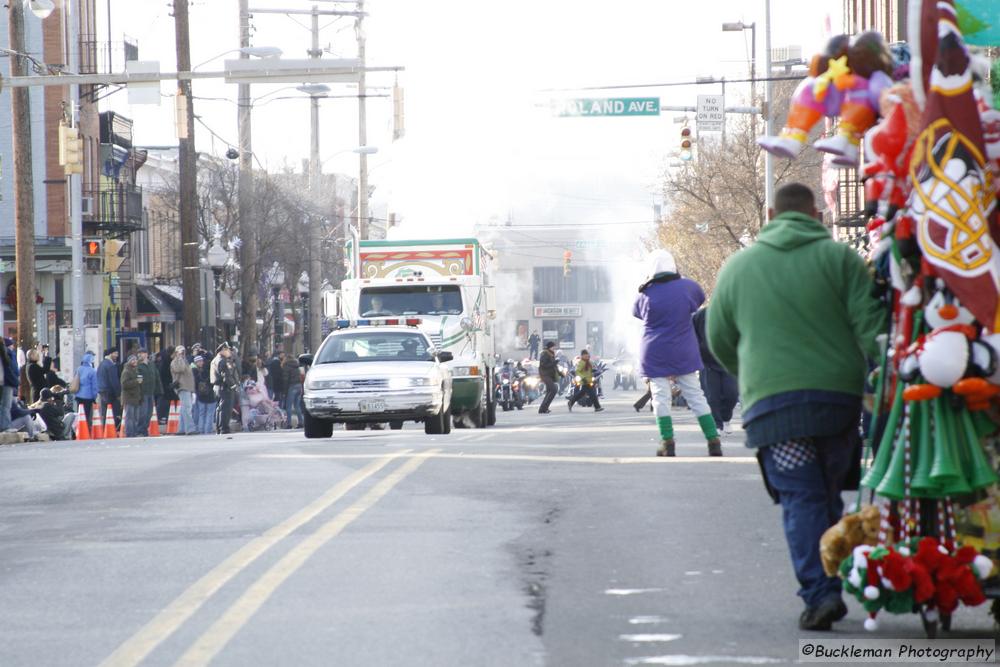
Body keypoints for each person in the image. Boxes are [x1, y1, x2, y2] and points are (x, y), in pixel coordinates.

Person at [707, 182, 885, 631]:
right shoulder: (842, 260)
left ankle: (821, 593)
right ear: (818, 216)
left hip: (775, 410)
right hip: (837, 404)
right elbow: (872, 329)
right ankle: (827, 583)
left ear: (769, 214)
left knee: (802, 497)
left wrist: (750, 377)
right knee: (825, 494)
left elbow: (719, 340)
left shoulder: (739, 268)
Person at [633, 249, 722, 457]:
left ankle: (667, 442)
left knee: (660, 397)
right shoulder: (689, 287)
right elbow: (699, 300)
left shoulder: (645, 293)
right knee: (696, 396)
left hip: (654, 352)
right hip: (684, 349)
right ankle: (713, 441)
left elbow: (636, 312)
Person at [692, 307, 739, 435]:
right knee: (712, 396)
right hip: (707, 362)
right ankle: (716, 424)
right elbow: (692, 335)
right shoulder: (701, 315)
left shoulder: (732, 312)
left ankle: (726, 418)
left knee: (732, 394)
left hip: (728, 361)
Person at [211, 343, 239, 434]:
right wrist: (233, 385)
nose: (229, 352)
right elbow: (226, 375)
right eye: (227, 350)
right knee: (226, 409)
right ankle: (224, 428)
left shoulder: (215, 360)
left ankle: (219, 428)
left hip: (217, 387)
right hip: (225, 387)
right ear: (223, 350)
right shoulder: (222, 361)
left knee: (220, 408)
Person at [171, 345, 197, 435]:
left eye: (183, 351)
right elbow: (180, 369)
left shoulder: (185, 361)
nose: (183, 353)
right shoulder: (175, 362)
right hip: (182, 387)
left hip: (188, 387)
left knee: (184, 410)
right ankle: (190, 429)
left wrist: (192, 390)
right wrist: (179, 358)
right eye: (180, 352)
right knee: (187, 409)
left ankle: (181, 429)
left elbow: (189, 376)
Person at [136, 349, 163, 436]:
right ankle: (139, 430)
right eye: (139, 353)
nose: (140, 355)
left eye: (142, 353)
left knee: (149, 412)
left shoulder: (151, 364)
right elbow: (137, 379)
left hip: (151, 392)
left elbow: (157, 376)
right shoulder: (138, 365)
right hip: (142, 392)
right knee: (142, 412)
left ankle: (145, 429)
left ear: (146, 354)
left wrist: (159, 390)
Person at [73, 351, 99, 430]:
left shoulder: (78, 369)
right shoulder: (92, 371)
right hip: (88, 397)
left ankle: (79, 429)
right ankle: (86, 430)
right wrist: (95, 397)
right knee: (87, 415)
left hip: (78, 396)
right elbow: (95, 386)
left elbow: (75, 380)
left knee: (80, 414)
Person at [97, 350, 122, 430]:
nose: (117, 355)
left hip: (102, 391)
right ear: (110, 354)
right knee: (113, 412)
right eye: (115, 353)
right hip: (110, 392)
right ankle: (111, 429)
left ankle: (105, 429)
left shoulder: (101, 364)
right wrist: (118, 394)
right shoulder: (110, 365)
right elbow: (114, 381)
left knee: (105, 412)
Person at [120, 354, 144, 438]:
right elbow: (124, 384)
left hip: (136, 398)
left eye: (135, 360)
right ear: (129, 361)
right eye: (132, 360)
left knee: (135, 417)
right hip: (129, 398)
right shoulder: (126, 371)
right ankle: (129, 433)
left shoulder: (136, 370)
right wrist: (136, 381)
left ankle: (134, 432)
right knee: (129, 417)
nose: (134, 361)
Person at [192, 355, 216, 434]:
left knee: (201, 413)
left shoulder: (195, 372)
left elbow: (195, 384)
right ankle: (207, 430)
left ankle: (201, 429)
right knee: (209, 413)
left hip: (200, 395)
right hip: (210, 395)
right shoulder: (210, 372)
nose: (201, 362)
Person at [537, 341, 562, 414]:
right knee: (553, 390)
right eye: (553, 347)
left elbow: (554, 366)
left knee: (550, 391)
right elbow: (544, 365)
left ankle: (544, 409)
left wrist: (560, 373)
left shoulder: (551, 354)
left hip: (550, 375)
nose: (554, 348)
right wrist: (555, 362)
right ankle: (543, 408)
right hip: (545, 375)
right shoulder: (545, 354)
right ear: (550, 347)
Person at [1, 338, 19, 432]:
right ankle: (5, 426)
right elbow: (13, 368)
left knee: (4, 405)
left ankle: (5, 426)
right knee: (6, 405)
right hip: (6, 381)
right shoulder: (8, 353)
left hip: (5, 381)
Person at [156, 348, 176, 425]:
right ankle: (160, 418)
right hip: (165, 388)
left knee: (167, 405)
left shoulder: (169, 362)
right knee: (163, 405)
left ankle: (167, 419)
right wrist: (168, 385)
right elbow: (162, 376)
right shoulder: (165, 363)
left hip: (169, 387)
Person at [283, 354, 303, 428]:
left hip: (292, 386)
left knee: (288, 406)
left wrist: (285, 392)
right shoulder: (297, 366)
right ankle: (301, 422)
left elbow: (285, 379)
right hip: (299, 386)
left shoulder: (286, 366)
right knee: (297, 406)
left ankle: (289, 424)